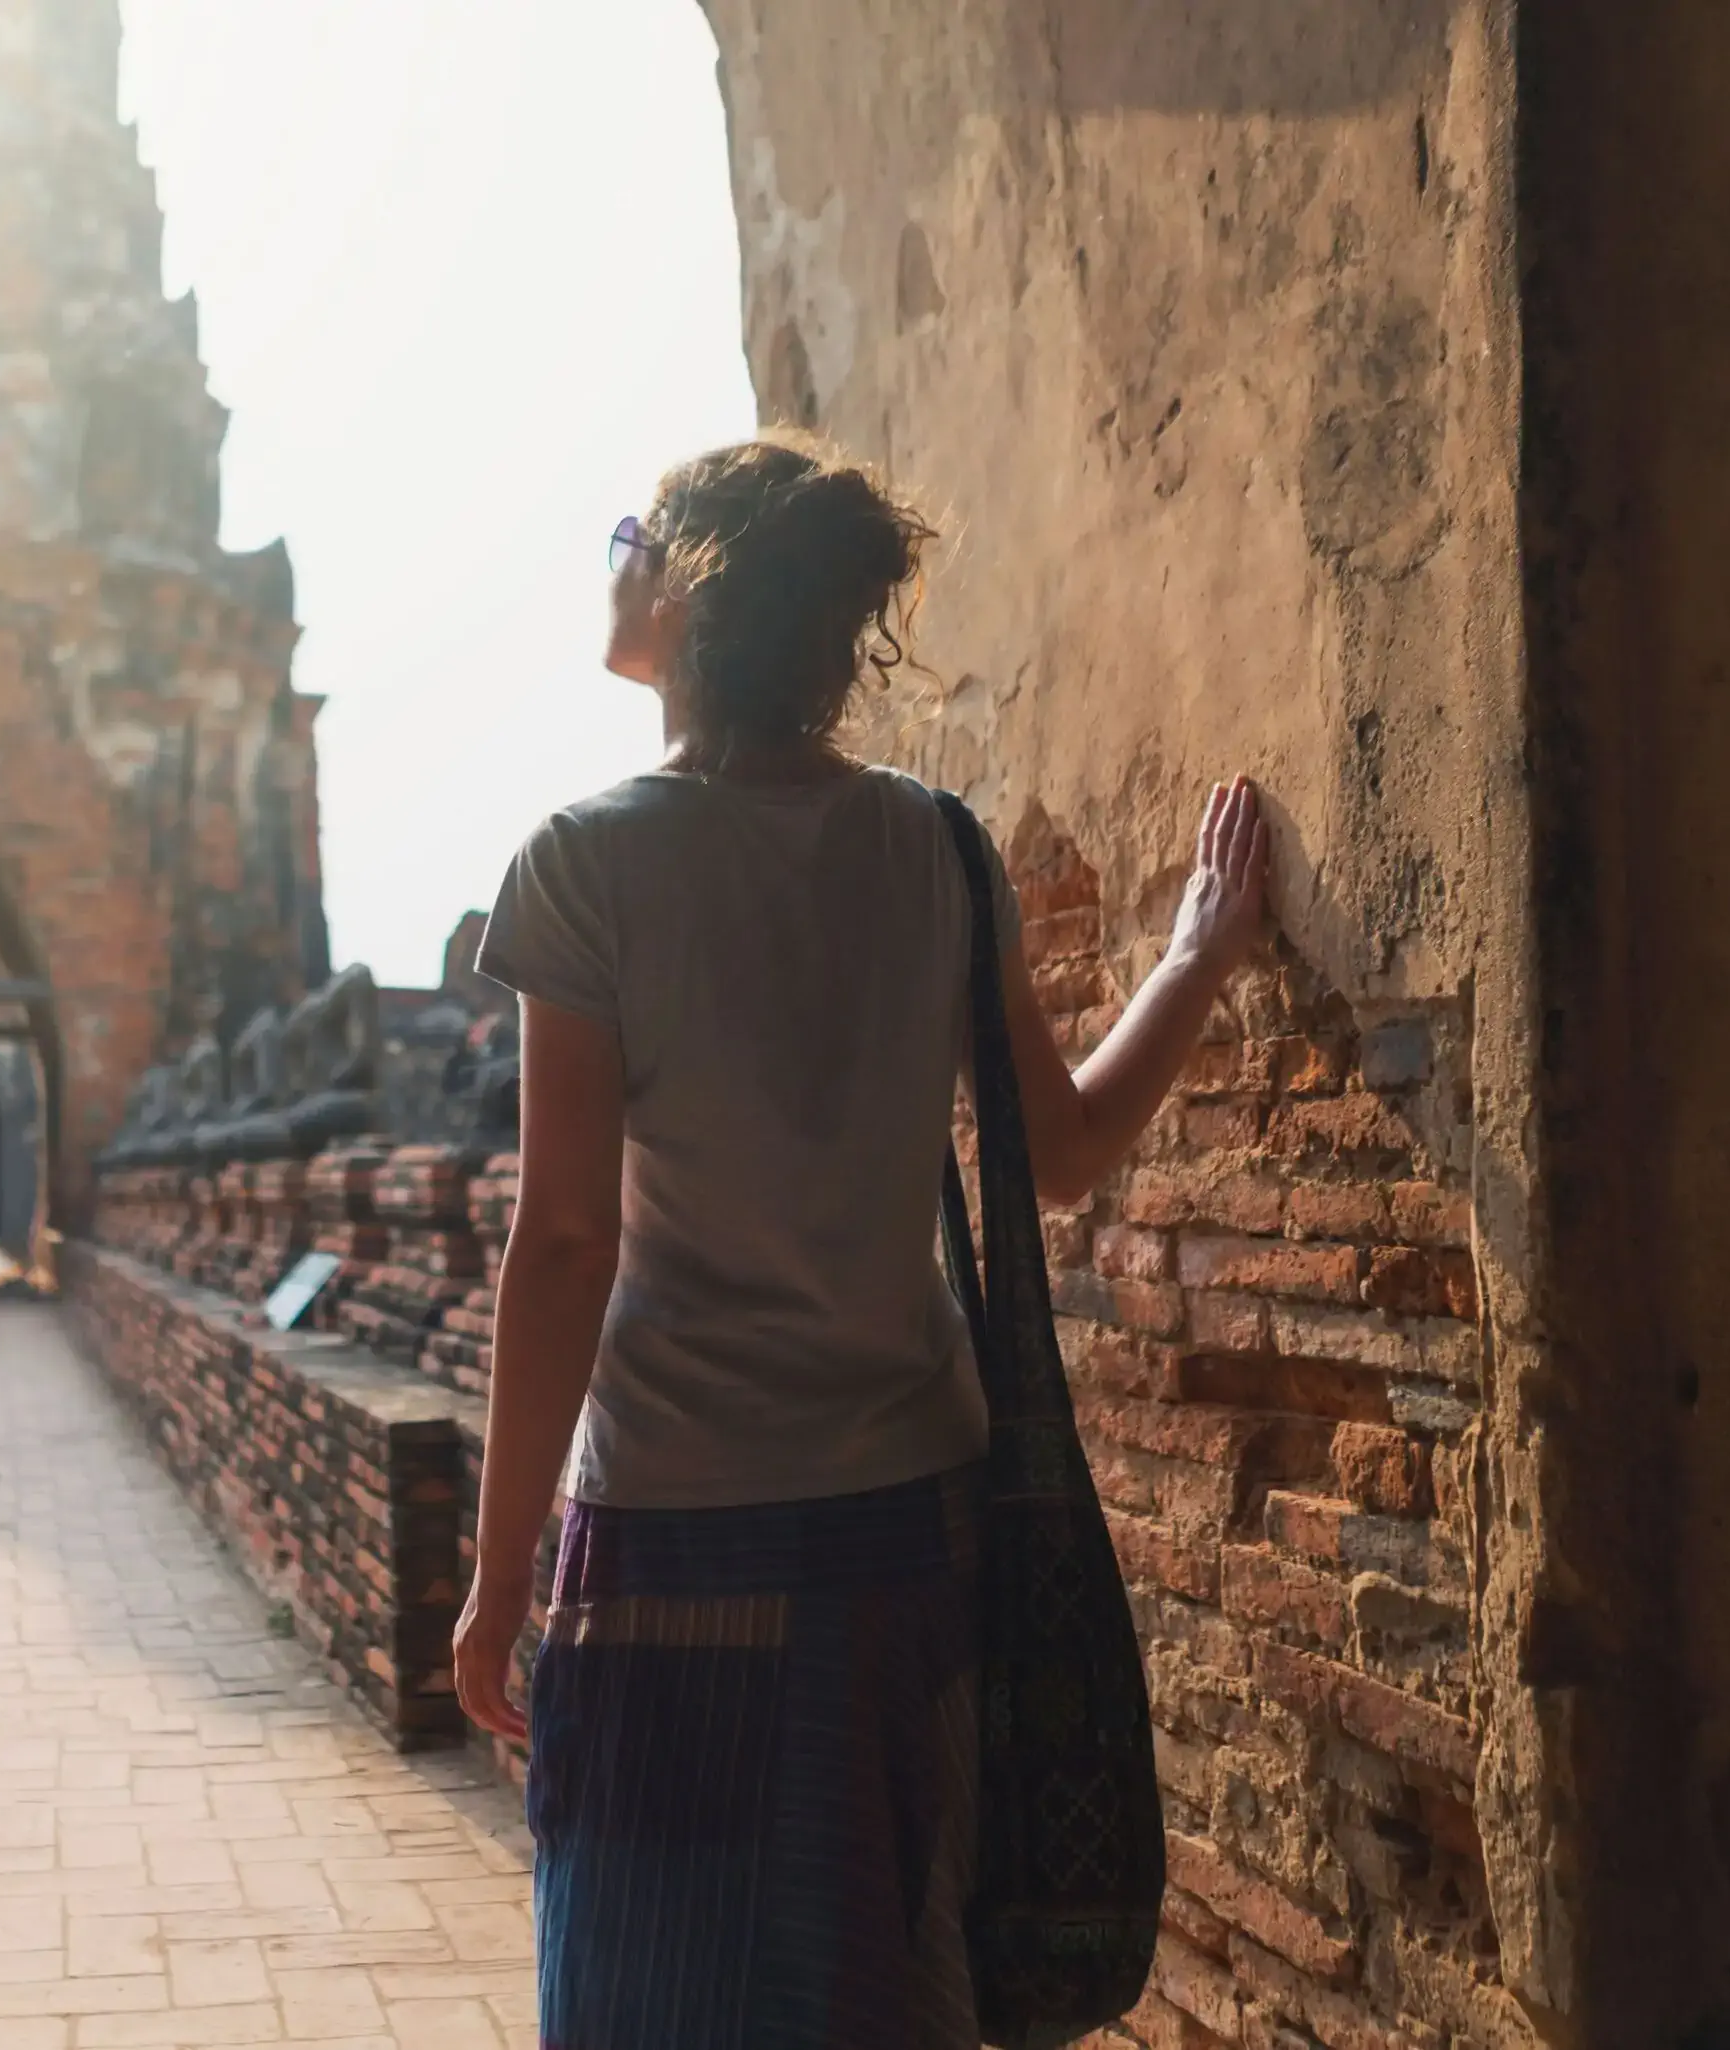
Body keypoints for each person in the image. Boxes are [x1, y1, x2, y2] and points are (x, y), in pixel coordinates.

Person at [458, 433, 1271, 2046]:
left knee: (653, 1994)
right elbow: (1069, 1149)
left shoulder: (585, 862)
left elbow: (561, 1248)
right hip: (911, 1527)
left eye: (631, 532)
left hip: (678, 1534)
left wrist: (495, 1580)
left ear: (683, 591)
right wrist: (1191, 959)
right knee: (878, 1987)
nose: (609, 556)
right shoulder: (935, 844)